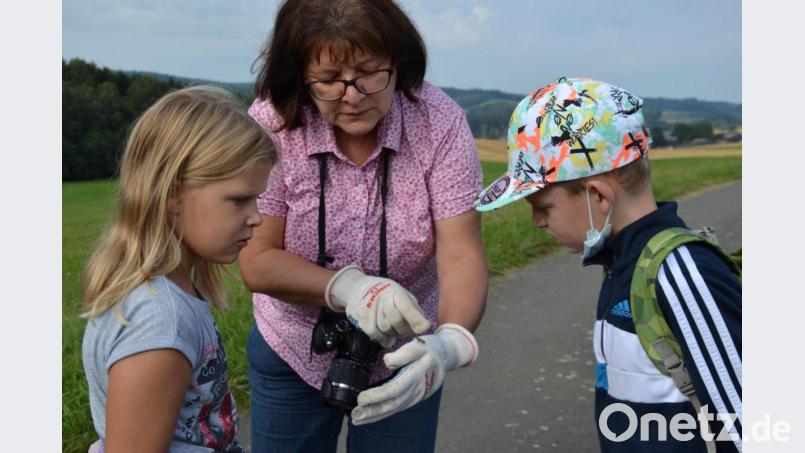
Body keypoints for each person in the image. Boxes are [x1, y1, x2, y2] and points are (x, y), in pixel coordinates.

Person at [239, 0, 489, 451]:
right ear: (299, 76)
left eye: (370, 74)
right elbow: (257, 260)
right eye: (328, 80)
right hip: (292, 344)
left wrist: (448, 343)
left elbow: (460, 253)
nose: (351, 96)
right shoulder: (272, 123)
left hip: (405, 354)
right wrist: (348, 288)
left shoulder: (440, 123)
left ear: (399, 63)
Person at [475, 77, 742, 452]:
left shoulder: (678, 274)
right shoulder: (621, 266)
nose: (536, 222)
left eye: (543, 207)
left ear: (597, 196)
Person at [81, 85, 276, 453]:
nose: (256, 217)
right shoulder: (159, 321)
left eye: (256, 198)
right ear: (173, 195)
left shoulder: (172, 296)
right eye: (239, 200)